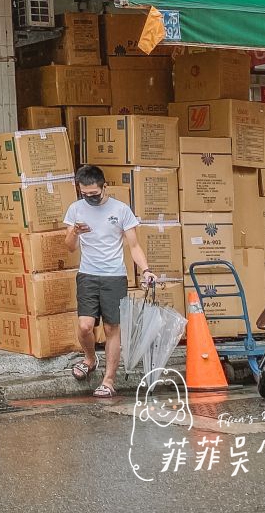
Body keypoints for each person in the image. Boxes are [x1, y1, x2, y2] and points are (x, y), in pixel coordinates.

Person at [65, 164, 156, 399]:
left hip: (114, 276)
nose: (89, 199)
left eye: (94, 194)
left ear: (104, 187)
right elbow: (69, 247)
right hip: (87, 274)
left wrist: (146, 270)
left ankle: (108, 381)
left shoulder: (121, 210)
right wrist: (75, 232)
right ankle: (90, 359)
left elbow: (134, 246)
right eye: (85, 195)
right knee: (85, 326)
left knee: (111, 328)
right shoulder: (76, 209)